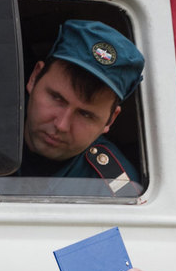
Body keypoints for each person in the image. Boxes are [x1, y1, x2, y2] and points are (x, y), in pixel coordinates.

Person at [15, 20, 145, 189]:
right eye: (57, 98)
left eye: (85, 114)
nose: (61, 125)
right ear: (34, 77)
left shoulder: (114, 188)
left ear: (110, 120)